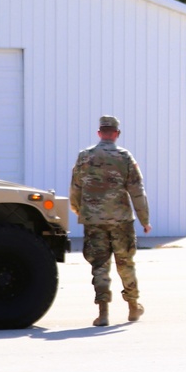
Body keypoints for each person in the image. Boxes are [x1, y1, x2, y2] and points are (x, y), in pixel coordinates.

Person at [70, 115, 152, 326]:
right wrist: (144, 219)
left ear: (99, 133)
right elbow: (137, 190)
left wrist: (80, 211)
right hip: (121, 220)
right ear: (116, 134)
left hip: (94, 221)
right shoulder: (124, 157)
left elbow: (75, 188)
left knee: (99, 266)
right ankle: (133, 307)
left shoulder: (84, 156)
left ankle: (103, 313)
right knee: (125, 263)